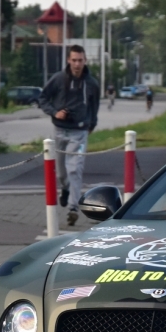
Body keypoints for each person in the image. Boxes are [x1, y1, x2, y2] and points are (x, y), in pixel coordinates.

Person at [38, 45, 100, 226]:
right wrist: (55, 112)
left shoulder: (92, 84)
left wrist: (91, 125)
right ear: (68, 60)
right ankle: (64, 189)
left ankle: (73, 207)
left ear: (85, 61)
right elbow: (42, 98)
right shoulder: (58, 79)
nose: (77, 64)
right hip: (60, 131)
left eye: (80, 60)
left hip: (79, 133)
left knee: (75, 168)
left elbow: (94, 107)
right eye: (74, 60)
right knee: (62, 173)